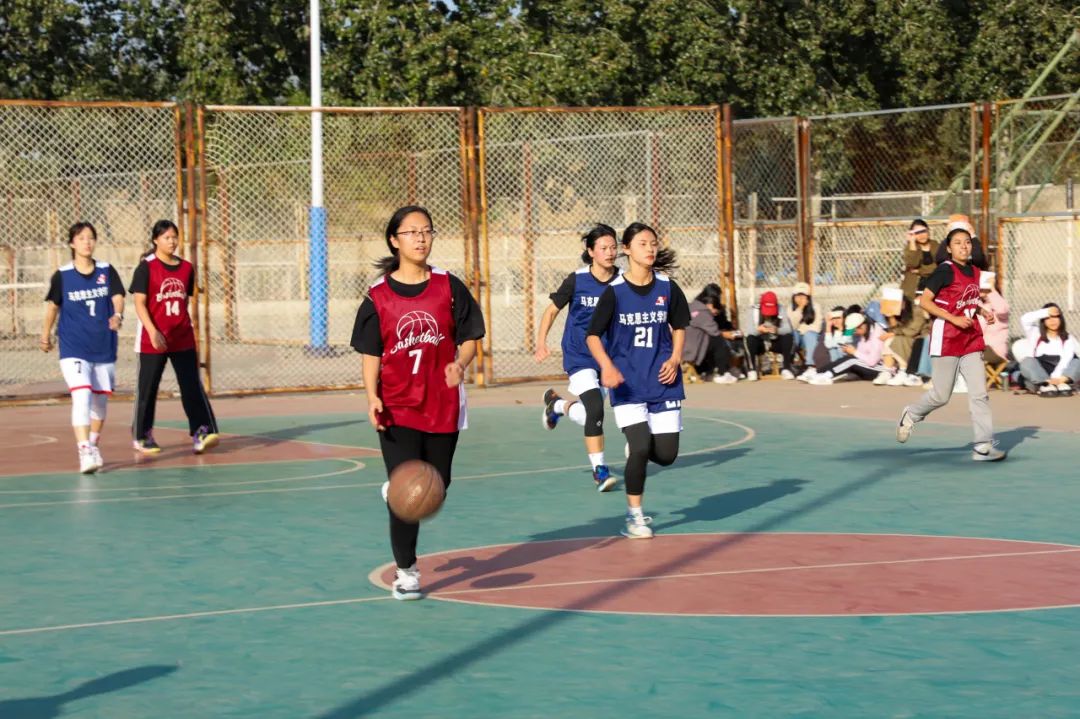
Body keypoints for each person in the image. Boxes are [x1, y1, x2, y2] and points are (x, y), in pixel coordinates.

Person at [351, 205, 485, 600]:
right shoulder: (378, 296)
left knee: (437, 487)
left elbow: (470, 338)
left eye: (426, 230)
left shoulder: (448, 286)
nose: (421, 238)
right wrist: (372, 396)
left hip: (442, 404)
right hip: (397, 406)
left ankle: (397, 490)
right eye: (411, 232)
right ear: (394, 240)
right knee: (407, 496)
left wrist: (460, 363)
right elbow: (371, 353)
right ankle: (407, 571)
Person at [586, 222, 689, 539]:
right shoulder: (615, 292)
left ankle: (637, 452)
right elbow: (592, 336)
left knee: (667, 455)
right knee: (641, 446)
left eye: (653, 243)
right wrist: (606, 366)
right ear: (627, 249)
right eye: (643, 243)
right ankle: (635, 517)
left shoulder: (667, 287)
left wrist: (675, 357)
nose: (650, 248)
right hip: (628, 384)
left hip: (663, 381)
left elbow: (680, 326)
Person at [897, 223, 1005, 461]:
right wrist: (953, 319)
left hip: (971, 339)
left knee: (979, 394)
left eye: (967, 242)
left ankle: (983, 446)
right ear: (948, 248)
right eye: (957, 243)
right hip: (946, 338)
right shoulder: (944, 271)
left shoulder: (975, 272)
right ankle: (911, 414)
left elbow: (966, 299)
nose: (963, 246)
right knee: (941, 395)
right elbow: (925, 302)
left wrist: (981, 311)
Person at [535, 224, 620, 491]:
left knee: (589, 416)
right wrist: (541, 342)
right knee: (595, 409)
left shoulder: (623, 281)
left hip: (609, 358)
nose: (610, 252)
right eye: (604, 248)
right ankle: (600, 471)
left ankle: (557, 405)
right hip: (580, 354)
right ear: (591, 251)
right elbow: (551, 311)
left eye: (613, 247)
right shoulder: (577, 280)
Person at [40, 222, 126, 473]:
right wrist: (45, 335)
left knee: (99, 403)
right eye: (81, 238)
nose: (87, 242)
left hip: (103, 345)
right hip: (73, 346)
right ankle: (84, 450)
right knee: (82, 394)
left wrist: (118, 314)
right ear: (72, 243)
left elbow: (118, 296)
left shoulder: (106, 270)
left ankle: (93, 443)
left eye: (90, 237)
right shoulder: (63, 275)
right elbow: (53, 307)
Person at [130, 220, 219, 455]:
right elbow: (139, 303)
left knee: (191, 385)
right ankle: (142, 435)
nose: (171, 242)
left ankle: (202, 430)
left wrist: (180, 324)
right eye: (166, 237)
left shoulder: (186, 268)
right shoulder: (146, 268)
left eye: (174, 237)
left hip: (182, 337)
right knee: (148, 388)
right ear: (155, 240)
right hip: (154, 339)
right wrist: (153, 330)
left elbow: (183, 300)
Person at [683, 283, 741, 384]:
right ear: (711, 302)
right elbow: (714, 331)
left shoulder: (692, 306)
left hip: (686, 344)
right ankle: (723, 373)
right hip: (691, 349)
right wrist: (729, 334)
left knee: (712, 340)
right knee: (718, 341)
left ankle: (709, 372)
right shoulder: (702, 311)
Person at [1018, 303, 1079, 396]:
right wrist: (1046, 312)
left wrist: (1057, 378)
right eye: (1048, 318)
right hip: (1041, 374)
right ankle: (1045, 385)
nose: (1052, 321)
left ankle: (1061, 384)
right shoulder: (1035, 332)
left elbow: (1067, 359)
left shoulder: (1068, 338)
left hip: (1062, 375)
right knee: (1027, 362)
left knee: (1077, 361)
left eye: (1055, 317)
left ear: (1061, 319)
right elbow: (1024, 319)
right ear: (1043, 320)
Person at [808, 313, 886, 384]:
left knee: (851, 360)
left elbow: (872, 361)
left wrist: (854, 352)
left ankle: (826, 376)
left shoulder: (876, 335)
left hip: (880, 368)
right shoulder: (853, 331)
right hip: (861, 362)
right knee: (846, 356)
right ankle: (818, 372)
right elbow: (834, 343)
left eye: (838, 318)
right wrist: (837, 329)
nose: (854, 332)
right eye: (833, 319)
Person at [741, 291, 795, 380]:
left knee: (789, 337)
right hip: (760, 342)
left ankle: (786, 368)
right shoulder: (753, 310)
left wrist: (777, 330)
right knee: (748, 339)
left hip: (775, 341)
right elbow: (748, 331)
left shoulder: (781, 309)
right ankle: (752, 370)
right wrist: (759, 330)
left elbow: (788, 328)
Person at [878, 295, 929, 386]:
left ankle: (903, 370)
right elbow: (894, 329)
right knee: (889, 340)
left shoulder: (916, 310)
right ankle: (887, 371)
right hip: (907, 337)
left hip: (919, 339)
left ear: (904, 303)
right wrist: (891, 317)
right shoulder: (899, 313)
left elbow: (913, 331)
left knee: (896, 340)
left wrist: (893, 333)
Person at [787, 282, 823, 375]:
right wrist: (800, 309)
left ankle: (811, 366)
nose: (800, 298)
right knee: (792, 334)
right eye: (798, 295)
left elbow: (817, 327)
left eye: (803, 295)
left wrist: (802, 330)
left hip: (811, 338)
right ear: (794, 296)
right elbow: (792, 326)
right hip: (797, 338)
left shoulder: (816, 306)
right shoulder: (790, 308)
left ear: (808, 297)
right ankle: (788, 365)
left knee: (809, 334)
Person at [900, 219, 939, 301]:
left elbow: (940, 266)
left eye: (923, 231)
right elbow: (913, 264)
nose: (921, 235)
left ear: (928, 231)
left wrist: (920, 270)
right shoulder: (910, 247)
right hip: (915, 288)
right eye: (917, 233)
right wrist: (912, 243)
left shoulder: (936, 245)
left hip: (934, 286)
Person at [979, 272, 1010, 366]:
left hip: (994, 350)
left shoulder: (999, 303)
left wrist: (991, 289)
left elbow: (1002, 310)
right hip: (981, 348)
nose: (981, 289)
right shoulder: (979, 305)